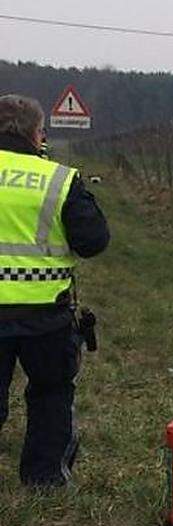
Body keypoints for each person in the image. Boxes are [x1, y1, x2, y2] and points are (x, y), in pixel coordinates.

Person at [0, 94, 109, 487]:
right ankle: (43, 480)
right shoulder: (59, 180)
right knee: (50, 395)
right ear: (35, 133)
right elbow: (94, 241)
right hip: (44, 315)